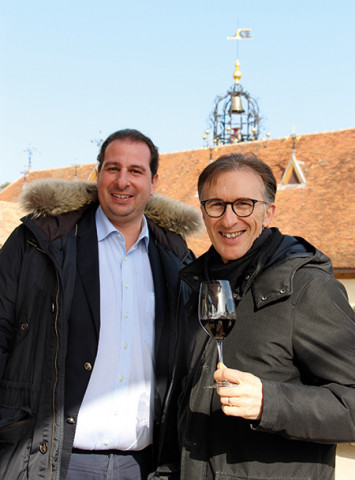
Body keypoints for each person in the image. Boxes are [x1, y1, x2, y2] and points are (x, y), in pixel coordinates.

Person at [0, 129, 202, 480]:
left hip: (142, 466)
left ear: (153, 182)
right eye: (112, 168)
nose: (122, 181)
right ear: (98, 175)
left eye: (135, 171)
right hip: (53, 460)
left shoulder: (177, 260)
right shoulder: (39, 244)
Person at [178, 152, 355, 480]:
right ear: (203, 212)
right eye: (216, 204)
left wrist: (269, 402)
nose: (229, 219)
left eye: (244, 204)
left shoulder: (306, 287)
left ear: (269, 212)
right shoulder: (194, 288)